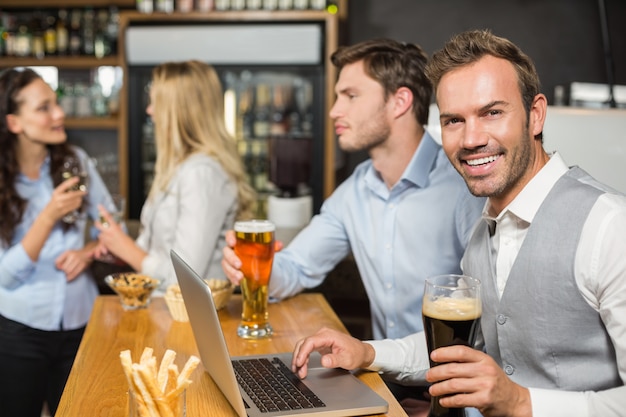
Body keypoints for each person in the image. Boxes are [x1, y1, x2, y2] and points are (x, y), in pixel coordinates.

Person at [291, 29, 626, 417]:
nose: (470, 138)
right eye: (453, 120)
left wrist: (520, 402)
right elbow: (465, 346)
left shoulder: (609, 226)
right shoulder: (486, 229)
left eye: (492, 112)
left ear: (535, 115)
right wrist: (367, 352)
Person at [222, 39, 484, 401]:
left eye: (350, 95)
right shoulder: (356, 190)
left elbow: (489, 324)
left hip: (454, 392)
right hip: (384, 382)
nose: (333, 111)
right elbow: (296, 268)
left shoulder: (464, 188)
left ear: (400, 102)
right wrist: (252, 266)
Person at [0, 68, 115, 416]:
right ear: (14, 122)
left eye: (57, 103)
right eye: (44, 107)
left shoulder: (74, 161)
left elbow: (110, 224)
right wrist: (48, 216)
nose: (59, 113)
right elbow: (5, 276)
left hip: (82, 322)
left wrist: (88, 251)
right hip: (20, 331)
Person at [96, 60, 256, 292]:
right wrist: (117, 246)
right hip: (164, 312)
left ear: (179, 112)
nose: (149, 111)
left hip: (187, 320)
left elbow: (185, 278)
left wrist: (128, 250)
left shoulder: (201, 173)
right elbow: (157, 251)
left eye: (155, 103)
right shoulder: (180, 166)